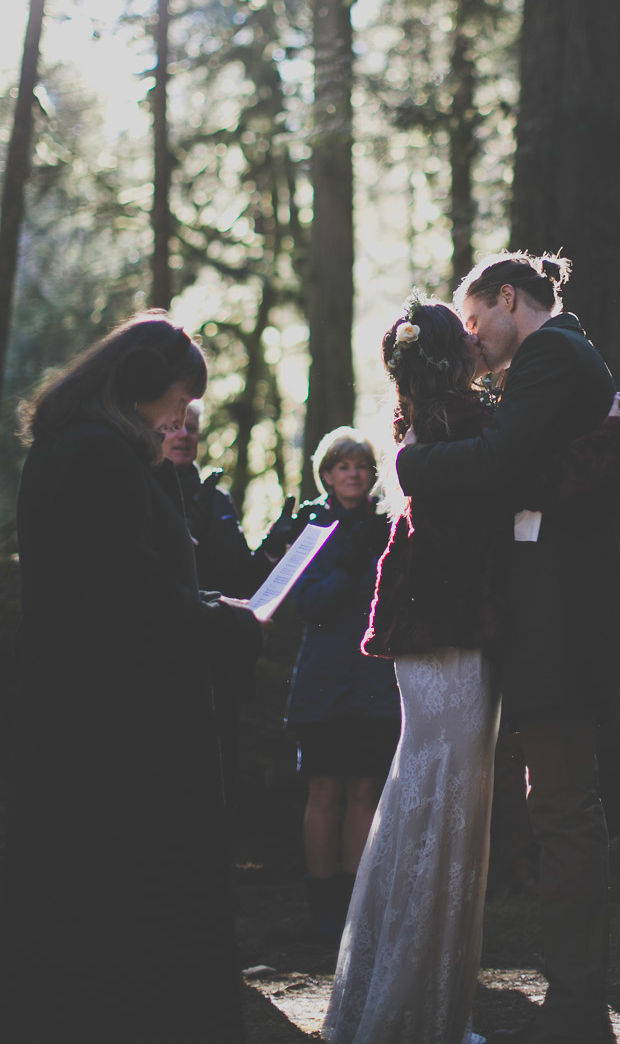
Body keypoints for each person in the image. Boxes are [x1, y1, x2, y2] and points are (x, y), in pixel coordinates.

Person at [394, 253, 620, 1044]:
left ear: (510, 299)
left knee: (564, 806)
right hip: (549, 614)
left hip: (560, 618)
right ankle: (570, 991)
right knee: (557, 801)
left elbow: (500, 465)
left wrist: (412, 462)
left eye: (474, 322)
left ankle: (574, 1003)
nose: (471, 342)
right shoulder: (557, 361)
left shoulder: (553, 356)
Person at [1, 312, 262, 1044]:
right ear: (143, 381)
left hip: (84, 719)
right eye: (180, 397)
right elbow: (127, 602)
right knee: (119, 926)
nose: (183, 416)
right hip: (113, 735)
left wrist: (211, 604)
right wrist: (230, 623)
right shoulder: (97, 456)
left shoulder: (79, 446)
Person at [321, 299, 508, 1044]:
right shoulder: (472, 429)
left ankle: (410, 999)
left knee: (425, 803)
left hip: (431, 639)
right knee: (445, 808)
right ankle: (414, 1010)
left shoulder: (432, 427)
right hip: (453, 639)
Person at [279, 427, 400, 948]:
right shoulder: (310, 525)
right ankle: (322, 911)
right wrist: (348, 566)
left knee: (365, 790)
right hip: (325, 680)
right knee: (324, 791)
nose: (353, 473)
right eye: (342, 466)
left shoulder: (390, 525)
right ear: (326, 474)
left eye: (362, 466)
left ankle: (354, 910)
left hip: (376, 680)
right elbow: (304, 602)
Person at [162, 400, 260, 814]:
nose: (184, 434)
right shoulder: (147, 492)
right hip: (170, 659)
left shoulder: (219, 500)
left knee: (221, 770)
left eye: (192, 427)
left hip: (219, 661)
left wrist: (274, 548)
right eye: (174, 426)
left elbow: (243, 578)